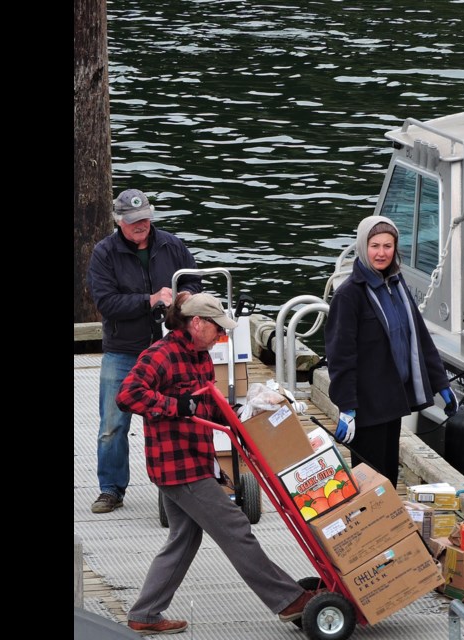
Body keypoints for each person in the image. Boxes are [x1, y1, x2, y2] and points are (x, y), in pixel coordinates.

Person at [116, 292, 317, 635]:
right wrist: (174, 404)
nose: (222, 336)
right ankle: (287, 599)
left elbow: (209, 406)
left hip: (197, 459)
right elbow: (128, 395)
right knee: (235, 528)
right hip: (178, 467)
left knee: (184, 538)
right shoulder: (161, 355)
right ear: (197, 323)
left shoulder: (202, 357)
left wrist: (248, 411)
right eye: (217, 329)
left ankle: (145, 614)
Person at [87, 188, 202, 514]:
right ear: (119, 221)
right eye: (134, 221)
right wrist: (149, 301)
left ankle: (185, 483)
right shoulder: (103, 253)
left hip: (169, 347)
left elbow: (195, 280)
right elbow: (105, 303)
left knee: (182, 413)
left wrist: (184, 297)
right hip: (123, 349)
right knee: (112, 424)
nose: (141, 225)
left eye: (145, 219)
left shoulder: (172, 244)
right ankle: (110, 489)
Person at [324, 215, 457, 487]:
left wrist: (441, 384)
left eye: (388, 246)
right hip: (367, 405)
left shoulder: (396, 283)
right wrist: (347, 408)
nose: (381, 253)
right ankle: (374, 527)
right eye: (375, 246)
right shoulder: (349, 295)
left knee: (389, 477)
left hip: (393, 401)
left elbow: (419, 336)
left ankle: (389, 525)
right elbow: (341, 356)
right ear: (363, 246)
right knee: (370, 481)